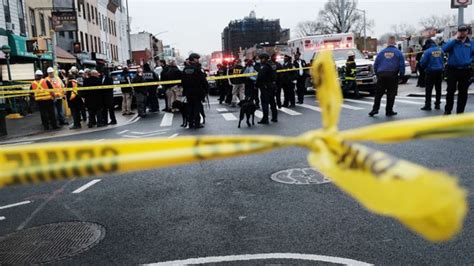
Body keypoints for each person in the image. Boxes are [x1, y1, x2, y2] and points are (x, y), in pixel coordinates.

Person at [369, 36, 405, 117]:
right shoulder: (398, 53)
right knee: (391, 93)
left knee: (378, 94)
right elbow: (401, 65)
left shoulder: (381, 52)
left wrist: (377, 74)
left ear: (388, 43)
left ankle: (375, 109)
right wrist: (401, 75)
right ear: (394, 43)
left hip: (381, 74)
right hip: (392, 75)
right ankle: (389, 110)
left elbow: (376, 65)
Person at [442, 25, 474, 115]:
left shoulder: (471, 43)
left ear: (467, 32)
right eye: (460, 31)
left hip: (465, 70)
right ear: (458, 31)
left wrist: (470, 59)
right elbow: (444, 49)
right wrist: (455, 40)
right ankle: (448, 109)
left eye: (464, 31)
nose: (462, 33)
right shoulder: (452, 42)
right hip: (452, 70)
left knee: (463, 92)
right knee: (450, 90)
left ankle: (460, 112)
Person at [181, 53, 208, 129]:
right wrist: (206, 90)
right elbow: (203, 80)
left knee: (190, 107)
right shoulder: (197, 69)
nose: (198, 60)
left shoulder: (185, 69)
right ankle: (197, 123)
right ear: (194, 59)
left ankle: (190, 123)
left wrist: (185, 90)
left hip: (188, 92)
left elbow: (182, 81)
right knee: (197, 107)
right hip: (197, 91)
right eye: (197, 58)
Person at [419, 39, 444, 111]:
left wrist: (424, 67)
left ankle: (428, 105)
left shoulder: (427, 51)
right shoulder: (440, 50)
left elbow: (422, 62)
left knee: (429, 89)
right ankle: (437, 104)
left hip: (430, 72)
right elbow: (442, 59)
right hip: (439, 71)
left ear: (428, 44)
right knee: (438, 89)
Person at [256, 53, 278, 124]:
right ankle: (274, 117)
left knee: (265, 103)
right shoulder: (273, 64)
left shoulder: (264, 66)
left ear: (264, 58)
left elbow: (260, 76)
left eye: (261, 59)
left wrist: (256, 85)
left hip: (265, 86)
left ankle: (265, 119)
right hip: (273, 85)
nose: (260, 60)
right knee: (272, 102)